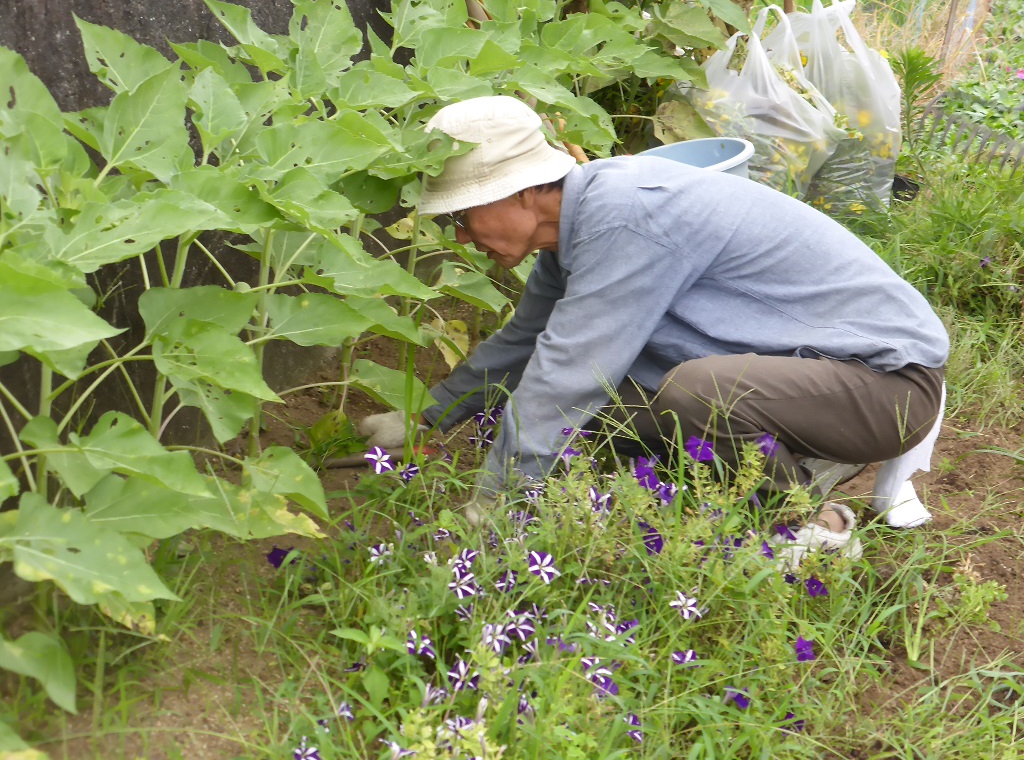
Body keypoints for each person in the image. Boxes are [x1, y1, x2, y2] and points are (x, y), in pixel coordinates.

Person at [359, 94, 949, 555]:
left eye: (464, 216)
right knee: (605, 415)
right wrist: (428, 415)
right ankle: (781, 469)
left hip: (888, 386)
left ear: (521, 193)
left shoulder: (627, 216)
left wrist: (494, 504)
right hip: (812, 374)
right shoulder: (577, 231)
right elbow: (527, 342)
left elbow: (568, 371)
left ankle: (807, 526)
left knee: (694, 394)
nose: (461, 237)